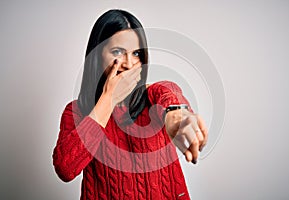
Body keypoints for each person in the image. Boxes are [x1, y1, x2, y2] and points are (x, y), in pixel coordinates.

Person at [53, 9, 208, 200]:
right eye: (117, 52)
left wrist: (179, 115)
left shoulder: (155, 95)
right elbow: (65, 169)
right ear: (97, 54)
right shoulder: (76, 112)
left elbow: (171, 96)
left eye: (136, 53)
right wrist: (108, 99)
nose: (128, 63)